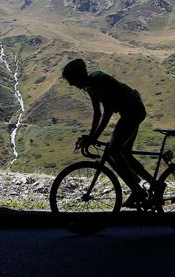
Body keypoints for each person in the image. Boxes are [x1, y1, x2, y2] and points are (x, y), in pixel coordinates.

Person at [62, 58, 153, 208]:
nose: (71, 84)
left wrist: (94, 137)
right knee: (124, 153)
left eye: (71, 80)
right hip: (130, 112)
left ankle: (138, 189)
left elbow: (108, 112)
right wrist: (91, 136)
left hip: (133, 112)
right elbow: (97, 114)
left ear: (79, 76)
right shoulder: (90, 87)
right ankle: (151, 185)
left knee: (113, 151)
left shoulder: (98, 79)